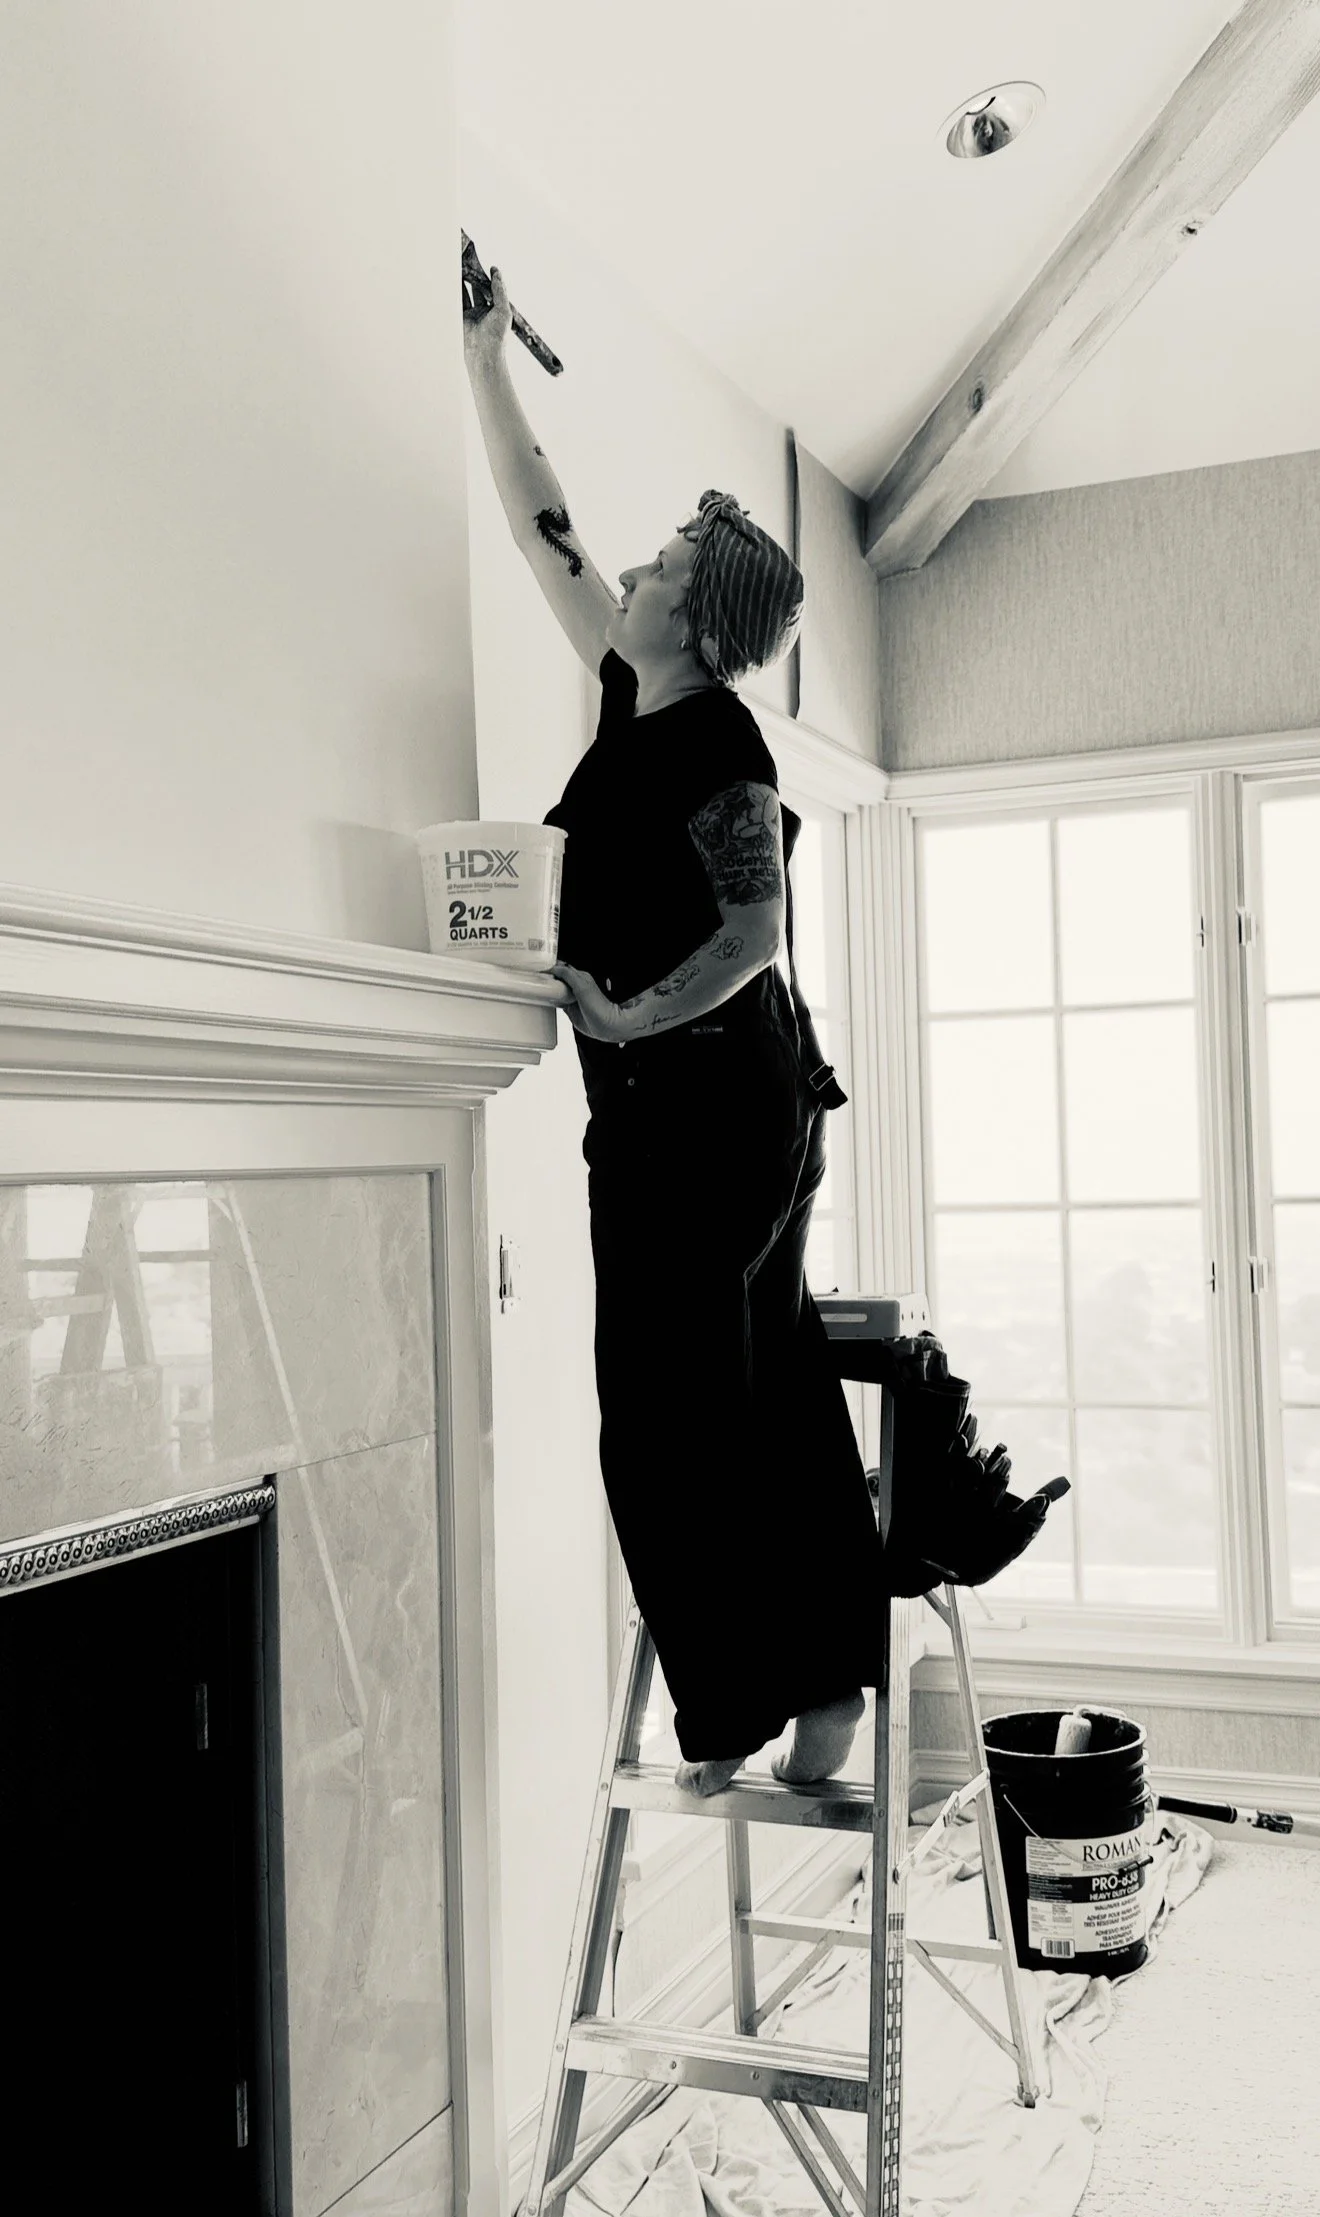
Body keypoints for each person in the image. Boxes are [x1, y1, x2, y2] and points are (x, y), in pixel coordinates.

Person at [464, 265, 887, 1796]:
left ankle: (732, 1710)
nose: (629, 565)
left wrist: (630, 1011)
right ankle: (825, 1689)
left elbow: (756, 929)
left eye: (662, 562)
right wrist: (485, 360)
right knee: (761, 1389)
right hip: (703, 1106)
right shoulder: (630, 691)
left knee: (658, 1419)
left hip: (713, 1104)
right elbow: (541, 520)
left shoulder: (715, 735)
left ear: (697, 620)